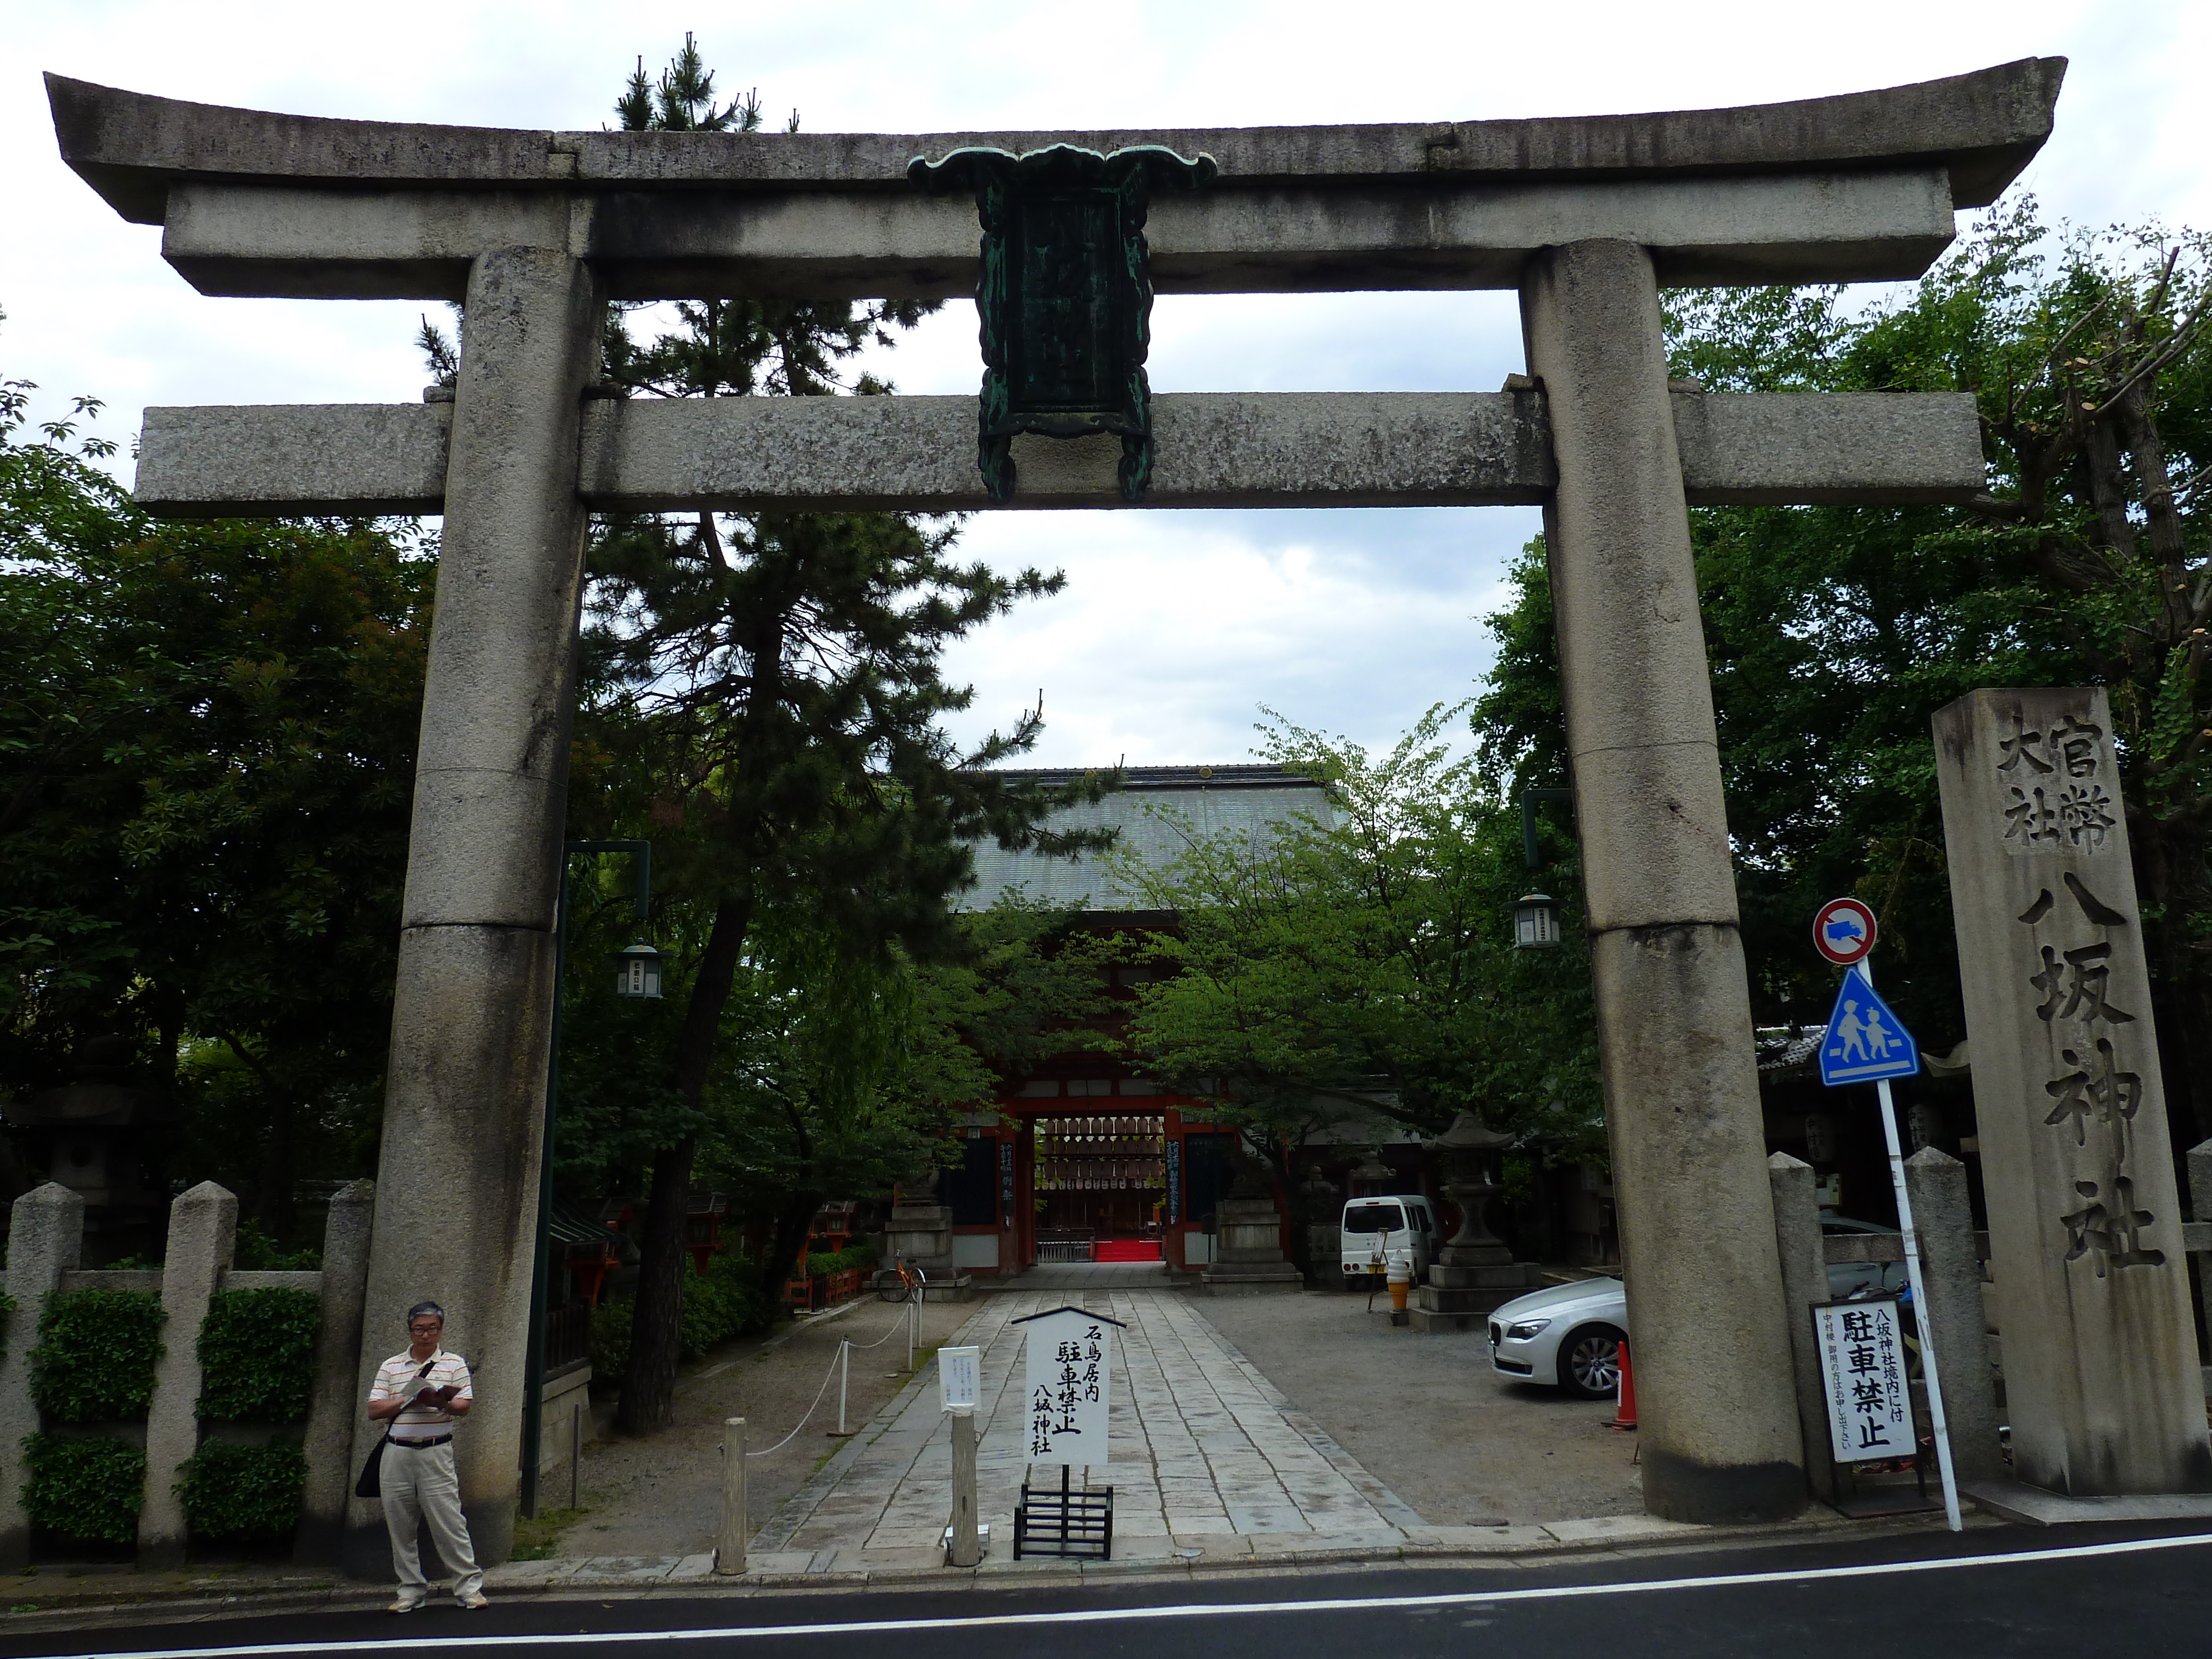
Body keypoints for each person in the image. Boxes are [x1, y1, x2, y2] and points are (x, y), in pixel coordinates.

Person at [367, 1301, 488, 1613]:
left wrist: (441, 1403)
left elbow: (464, 1405)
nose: (426, 1335)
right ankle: (410, 1589)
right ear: (410, 1331)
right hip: (397, 1451)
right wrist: (406, 1399)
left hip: (436, 1449)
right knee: (400, 1522)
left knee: (449, 1521)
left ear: (441, 1330)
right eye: (419, 1329)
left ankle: (469, 1587)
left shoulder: (454, 1364)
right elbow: (373, 1409)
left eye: (432, 1328)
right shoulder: (391, 1366)